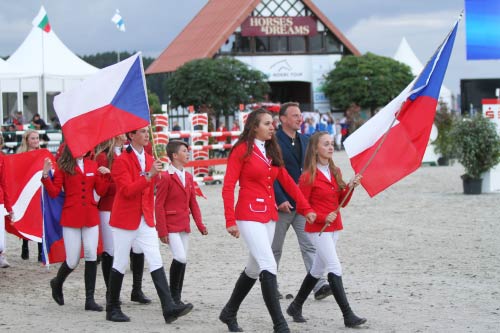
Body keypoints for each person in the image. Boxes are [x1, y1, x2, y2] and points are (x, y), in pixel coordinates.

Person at [219, 109, 316, 333]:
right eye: (267, 124)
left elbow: (289, 182)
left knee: (254, 269)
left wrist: (306, 207)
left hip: (269, 215)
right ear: (254, 127)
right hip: (247, 214)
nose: (272, 127)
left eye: (272, 123)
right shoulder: (241, 150)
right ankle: (280, 325)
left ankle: (229, 312)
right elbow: (228, 186)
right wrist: (229, 220)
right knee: (269, 264)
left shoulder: (271, 149)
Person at [106, 126, 193, 323]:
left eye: (147, 132)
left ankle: (168, 306)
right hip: (125, 219)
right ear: (131, 135)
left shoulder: (148, 157)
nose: (147, 135)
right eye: (142, 132)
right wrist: (150, 175)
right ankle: (112, 308)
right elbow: (127, 191)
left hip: (145, 217)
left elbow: (149, 187)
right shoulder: (121, 161)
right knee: (119, 262)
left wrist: (155, 177)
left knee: (155, 259)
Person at [286, 131, 366, 328]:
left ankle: (295, 306)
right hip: (317, 229)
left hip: (334, 227)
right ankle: (348, 315)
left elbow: (342, 203)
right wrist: (321, 217)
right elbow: (302, 205)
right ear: (315, 149)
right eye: (326, 144)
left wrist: (351, 187)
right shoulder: (307, 177)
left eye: (331, 144)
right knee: (334, 267)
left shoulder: (335, 171)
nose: (331, 147)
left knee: (317, 269)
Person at [271, 102, 331, 301]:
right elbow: (271, 174)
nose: (300, 118)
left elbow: (309, 171)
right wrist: (279, 198)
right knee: (275, 248)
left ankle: (319, 285)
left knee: (309, 245)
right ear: (283, 119)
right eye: (295, 115)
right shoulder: (273, 141)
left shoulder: (305, 140)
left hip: (303, 203)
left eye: (300, 115)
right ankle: (270, 286)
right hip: (281, 205)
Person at [42, 145, 111, 311]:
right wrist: (45, 175)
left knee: (91, 254)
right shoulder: (62, 167)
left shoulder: (92, 165)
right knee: (72, 260)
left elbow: (100, 190)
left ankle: (90, 300)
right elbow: (53, 192)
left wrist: (106, 176)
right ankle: (57, 282)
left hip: (90, 215)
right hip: (71, 216)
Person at [95, 135, 151, 305]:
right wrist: (115, 176)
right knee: (112, 251)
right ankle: (111, 292)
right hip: (109, 205)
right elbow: (103, 186)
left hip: (131, 205)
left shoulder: (131, 153)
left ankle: (137, 289)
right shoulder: (104, 156)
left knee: (138, 248)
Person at [155, 140, 207, 306]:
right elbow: (159, 204)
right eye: (184, 151)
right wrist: (161, 230)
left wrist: (200, 224)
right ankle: (173, 298)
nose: (188, 153)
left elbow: (193, 203)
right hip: (170, 225)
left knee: (182, 260)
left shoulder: (189, 176)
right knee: (180, 257)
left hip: (184, 223)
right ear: (174, 155)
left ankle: (175, 296)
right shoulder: (165, 177)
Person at [17, 130, 43, 262]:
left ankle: (40, 250)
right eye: (33, 138)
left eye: (37, 138)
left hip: (39, 189)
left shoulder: (42, 154)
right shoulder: (21, 154)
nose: (36, 141)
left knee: (39, 219)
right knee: (28, 217)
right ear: (27, 140)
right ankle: (25, 245)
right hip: (27, 190)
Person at [0, 135, 13, 268]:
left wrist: (8, 206)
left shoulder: (2, 158)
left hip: (0, 200)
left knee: (1, 239)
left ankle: (1, 254)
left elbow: (4, 182)